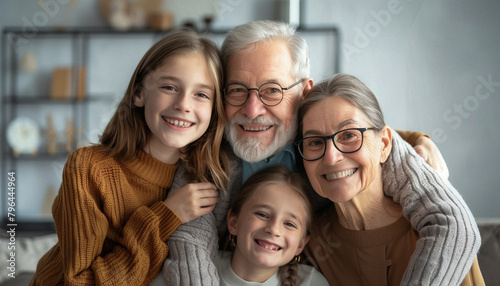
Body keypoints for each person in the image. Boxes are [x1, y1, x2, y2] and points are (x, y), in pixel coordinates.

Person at [162, 20, 480, 285]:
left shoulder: (331, 136)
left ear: (304, 92)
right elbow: (191, 246)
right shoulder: (206, 154)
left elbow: (451, 223)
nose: (253, 109)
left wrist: (413, 140)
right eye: (237, 90)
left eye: (272, 90)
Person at [29, 29, 229, 285]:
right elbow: (80, 282)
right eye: (169, 87)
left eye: (201, 94)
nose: (184, 104)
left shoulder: (209, 178)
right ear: (139, 94)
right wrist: (165, 216)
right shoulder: (89, 168)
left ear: (215, 110)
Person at [297, 73, 484, 285]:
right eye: (314, 142)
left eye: (349, 135)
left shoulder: (440, 237)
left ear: (384, 144)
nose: (331, 157)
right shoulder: (306, 244)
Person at [218, 165, 328, 286]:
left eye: (289, 224)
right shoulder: (199, 264)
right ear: (234, 223)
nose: (274, 229)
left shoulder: (311, 282)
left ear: (301, 244)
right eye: (262, 215)